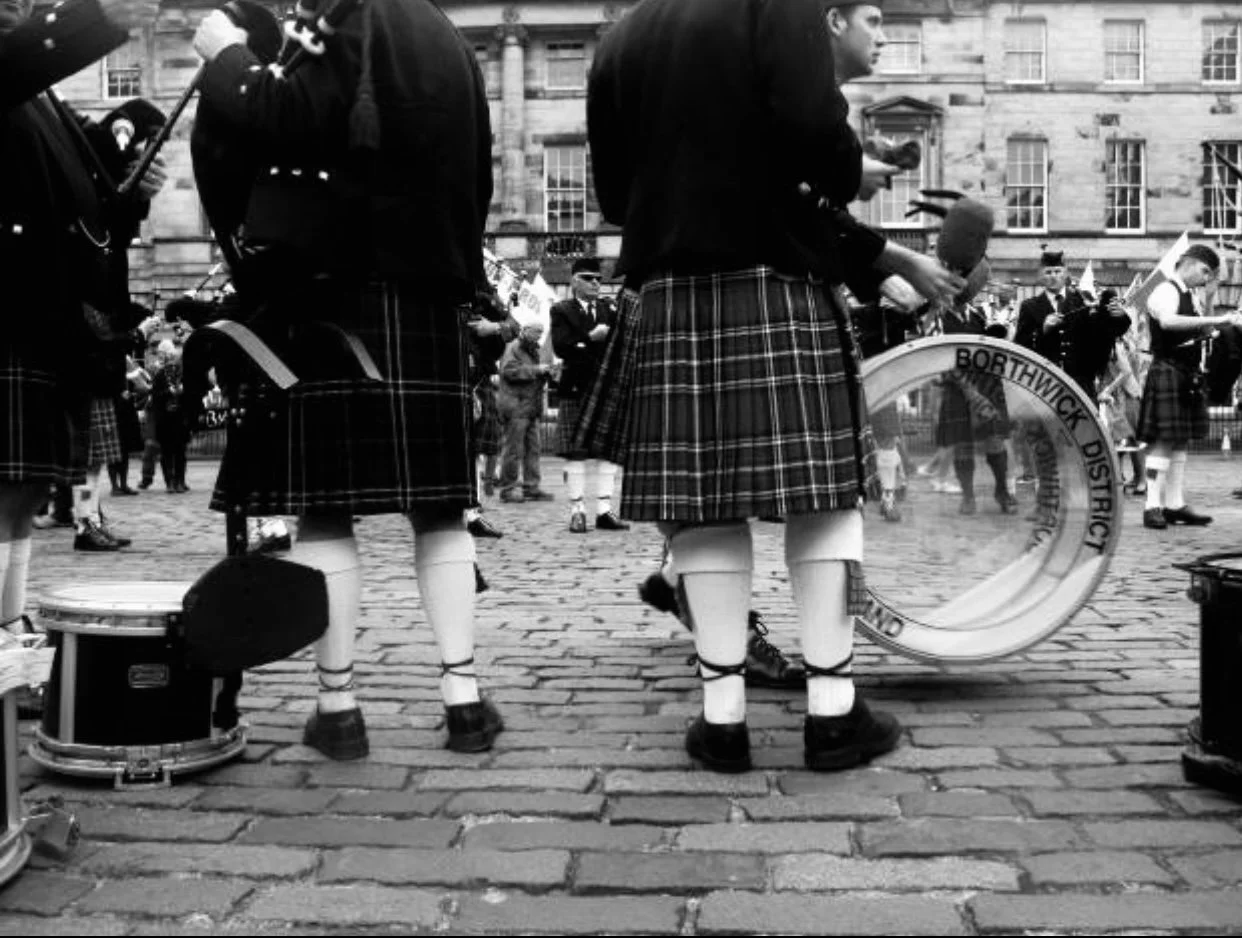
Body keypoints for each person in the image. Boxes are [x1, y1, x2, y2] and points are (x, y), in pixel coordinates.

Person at [586, 0, 962, 774]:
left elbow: (616, 197)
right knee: (824, 502)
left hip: (667, 289)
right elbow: (812, 135)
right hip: (777, 282)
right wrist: (846, 173)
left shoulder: (621, 38)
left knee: (701, 507)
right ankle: (833, 715)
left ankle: (722, 723)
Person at [192, 0, 499, 759]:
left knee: (327, 513)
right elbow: (480, 176)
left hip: (333, 287)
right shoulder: (448, 38)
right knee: (441, 510)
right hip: (428, 291)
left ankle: (339, 711)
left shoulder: (342, 14)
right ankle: (463, 701)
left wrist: (226, 54)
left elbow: (290, 118)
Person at [1, 0, 164, 588]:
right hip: (9, 306)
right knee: (7, 485)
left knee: (24, 486)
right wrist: (96, 15)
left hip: (43, 310)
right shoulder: (21, 69)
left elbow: (85, 206)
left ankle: (7, 623)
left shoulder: (45, 100)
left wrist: (132, 194)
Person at [1135, 245, 1242, 529]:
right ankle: (1152, 506)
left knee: (1180, 440)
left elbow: (1206, 331)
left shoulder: (1191, 295)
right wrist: (1216, 318)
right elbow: (1168, 322)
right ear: (1190, 263)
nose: (1206, 278)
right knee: (1164, 439)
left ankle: (1174, 505)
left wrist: (1210, 299)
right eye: (1205, 272)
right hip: (1168, 369)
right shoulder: (1165, 290)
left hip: (1186, 373)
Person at [550, 258, 629, 533]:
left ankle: (605, 511)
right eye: (588, 278)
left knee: (608, 450)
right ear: (574, 281)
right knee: (575, 452)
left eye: (598, 279)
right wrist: (590, 338)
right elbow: (561, 347)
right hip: (577, 385)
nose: (596, 283)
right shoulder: (561, 309)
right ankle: (578, 511)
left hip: (606, 386)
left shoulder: (610, 309)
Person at [1014, 249, 1131, 403]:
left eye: (1058, 271)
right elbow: (1021, 346)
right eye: (1048, 272)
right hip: (1044, 385)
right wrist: (1043, 329)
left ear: (1066, 273)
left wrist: (1120, 316)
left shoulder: (1083, 301)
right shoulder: (1030, 307)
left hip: (1081, 384)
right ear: (1041, 275)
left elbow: (1106, 332)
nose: (1053, 276)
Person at [496, 323, 555, 503]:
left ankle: (531, 487)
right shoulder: (513, 347)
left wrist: (547, 372)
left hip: (529, 407)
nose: (539, 336)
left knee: (533, 449)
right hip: (516, 406)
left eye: (541, 333)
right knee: (513, 450)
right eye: (537, 332)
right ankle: (507, 489)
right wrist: (537, 370)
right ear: (526, 330)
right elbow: (508, 371)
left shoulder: (532, 349)